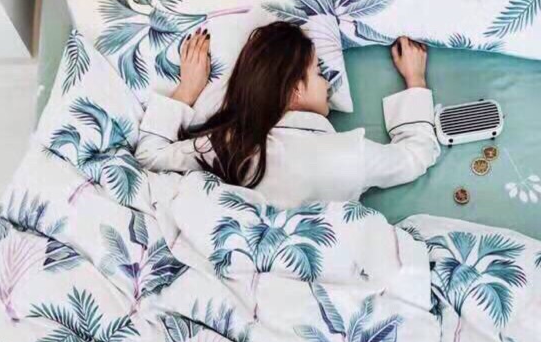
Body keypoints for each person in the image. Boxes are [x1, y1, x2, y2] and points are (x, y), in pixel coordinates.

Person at [135, 21, 440, 209]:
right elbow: (417, 155)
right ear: (295, 88)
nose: (328, 84)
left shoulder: (231, 145)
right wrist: (416, 80)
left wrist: (187, 90)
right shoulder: (350, 154)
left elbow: (150, 157)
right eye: (318, 73)